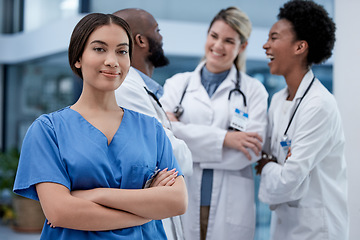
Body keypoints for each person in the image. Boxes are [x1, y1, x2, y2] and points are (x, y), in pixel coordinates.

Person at [13, 13, 187, 239]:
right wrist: (146, 211)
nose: (112, 61)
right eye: (99, 49)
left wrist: (96, 195)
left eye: (122, 51)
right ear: (78, 58)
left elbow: (177, 201)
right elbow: (60, 212)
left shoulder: (151, 129)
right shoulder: (48, 130)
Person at [160, 6, 268, 240]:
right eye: (214, 36)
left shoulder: (253, 90)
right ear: (207, 35)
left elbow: (250, 151)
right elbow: (164, 140)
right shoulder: (177, 85)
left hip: (231, 204)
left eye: (229, 40)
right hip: (184, 197)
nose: (218, 46)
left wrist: (183, 134)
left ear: (243, 46)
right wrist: (226, 139)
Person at [255, 1, 348, 239]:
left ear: (300, 47)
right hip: (285, 224)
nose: (266, 46)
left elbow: (289, 178)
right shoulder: (277, 99)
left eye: (274, 38)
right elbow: (266, 157)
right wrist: (275, 165)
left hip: (317, 228)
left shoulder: (319, 105)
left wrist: (269, 167)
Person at [112, 8, 193, 240]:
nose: (161, 37)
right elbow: (178, 158)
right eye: (157, 30)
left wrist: (170, 135)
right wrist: (173, 137)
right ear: (141, 40)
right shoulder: (126, 88)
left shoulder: (144, 89)